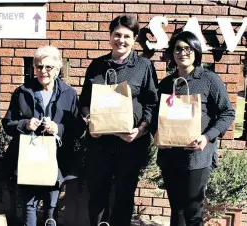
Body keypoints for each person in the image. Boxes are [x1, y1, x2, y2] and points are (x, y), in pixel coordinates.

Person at [79, 14, 159, 226]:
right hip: (100, 144)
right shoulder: (97, 66)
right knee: (97, 194)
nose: (120, 40)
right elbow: (84, 101)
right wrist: (89, 122)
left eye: (126, 36)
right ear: (110, 36)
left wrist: (141, 130)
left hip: (130, 144)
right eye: (117, 35)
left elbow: (152, 103)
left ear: (134, 39)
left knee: (124, 195)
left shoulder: (143, 67)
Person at [152, 31, 235, 226]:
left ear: (196, 51)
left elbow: (227, 113)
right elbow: (156, 116)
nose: (183, 53)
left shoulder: (210, 80)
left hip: (197, 157)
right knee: (177, 210)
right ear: (172, 53)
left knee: (193, 212)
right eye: (178, 48)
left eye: (188, 48)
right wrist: (155, 133)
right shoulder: (166, 84)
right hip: (170, 156)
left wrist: (207, 137)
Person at [2, 45, 83, 226]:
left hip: (56, 158)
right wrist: (25, 124)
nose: (43, 71)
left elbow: (78, 128)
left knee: (51, 205)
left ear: (58, 67)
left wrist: (59, 129)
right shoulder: (22, 92)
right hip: (28, 157)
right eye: (39, 66)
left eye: (49, 67)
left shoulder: (69, 93)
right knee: (29, 204)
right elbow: (7, 124)